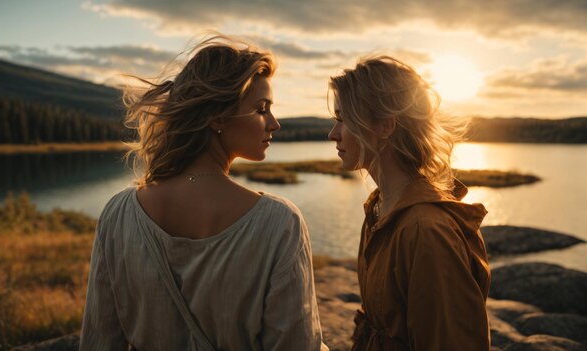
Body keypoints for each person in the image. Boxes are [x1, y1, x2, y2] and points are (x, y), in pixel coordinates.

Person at [80, 35, 326, 351]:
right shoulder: (280, 223)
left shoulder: (119, 212)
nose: (274, 123)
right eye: (261, 109)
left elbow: (99, 342)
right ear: (217, 117)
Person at [327, 56, 491, 350]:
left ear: (385, 126)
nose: (333, 134)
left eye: (343, 120)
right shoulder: (379, 209)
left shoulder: (426, 231)